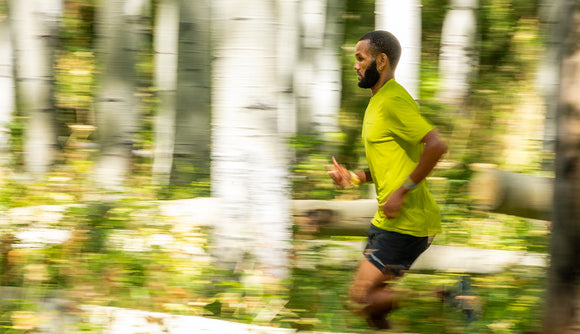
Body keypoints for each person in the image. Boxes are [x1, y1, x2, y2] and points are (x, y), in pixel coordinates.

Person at [329, 30, 447, 329]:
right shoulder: (377, 102)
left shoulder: (394, 101)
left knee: (361, 297)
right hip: (387, 221)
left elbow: (437, 145)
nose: (355, 65)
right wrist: (353, 178)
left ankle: (443, 295)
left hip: (407, 222)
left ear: (381, 61)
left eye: (360, 58)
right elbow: (389, 164)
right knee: (375, 309)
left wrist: (402, 192)